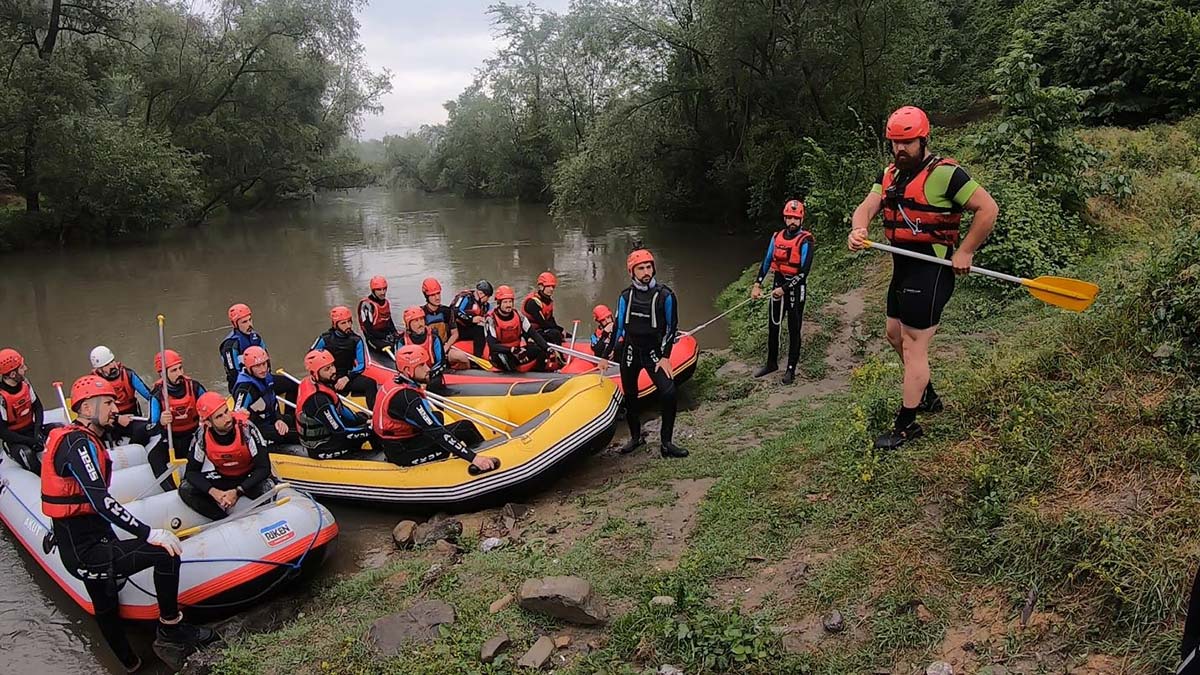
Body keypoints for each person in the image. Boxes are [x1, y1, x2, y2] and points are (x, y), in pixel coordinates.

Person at [42, 375, 217, 672]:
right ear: (86, 408)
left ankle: (130, 664)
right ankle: (170, 632)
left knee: (106, 603)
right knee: (166, 552)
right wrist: (150, 533)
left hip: (88, 537)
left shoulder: (82, 440)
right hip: (86, 550)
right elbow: (101, 501)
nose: (115, 409)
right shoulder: (78, 444)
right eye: (108, 403)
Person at [848, 105, 998, 450]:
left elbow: (988, 209)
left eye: (908, 143)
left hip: (931, 267)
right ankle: (926, 393)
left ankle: (906, 424)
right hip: (902, 264)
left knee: (914, 346)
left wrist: (966, 251)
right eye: (895, 143)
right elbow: (868, 206)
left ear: (923, 139)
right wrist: (859, 227)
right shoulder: (889, 173)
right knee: (893, 334)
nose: (900, 150)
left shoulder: (947, 174)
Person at [372, 344, 500, 472]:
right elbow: (436, 432)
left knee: (457, 423)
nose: (428, 368)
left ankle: (479, 454)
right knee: (461, 430)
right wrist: (473, 458)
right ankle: (482, 463)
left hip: (404, 440)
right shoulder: (407, 398)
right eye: (422, 365)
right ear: (407, 370)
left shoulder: (398, 382)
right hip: (403, 452)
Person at [614, 247, 688, 458]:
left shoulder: (666, 295)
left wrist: (665, 356)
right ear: (632, 272)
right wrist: (607, 355)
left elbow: (671, 328)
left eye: (648, 267)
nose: (646, 272)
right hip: (630, 349)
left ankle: (666, 443)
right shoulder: (625, 296)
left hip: (653, 351)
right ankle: (636, 437)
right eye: (641, 268)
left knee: (669, 392)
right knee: (630, 395)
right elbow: (618, 328)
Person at [179, 392, 275, 521]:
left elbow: (264, 468)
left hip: (249, 477)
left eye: (226, 411)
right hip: (223, 477)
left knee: (268, 489)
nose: (227, 419)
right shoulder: (201, 436)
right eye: (219, 416)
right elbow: (191, 472)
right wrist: (213, 492)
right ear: (208, 422)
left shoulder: (246, 429)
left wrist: (238, 491)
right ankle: (222, 519)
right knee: (186, 488)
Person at [750, 199, 815, 385]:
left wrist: (784, 289)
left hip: (795, 287)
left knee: (794, 328)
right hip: (778, 284)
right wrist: (757, 284)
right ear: (785, 218)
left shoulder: (806, 241)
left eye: (796, 218)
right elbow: (767, 261)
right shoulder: (777, 237)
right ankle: (771, 363)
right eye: (789, 218)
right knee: (773, 325)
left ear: (801, 219)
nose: (792, 221)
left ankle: (791, 369)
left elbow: (803, 272)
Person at [295, 349, 374, 460]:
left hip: (330, 433)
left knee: (363, 417)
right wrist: (369, 429)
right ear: (315, 373)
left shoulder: (317, 382)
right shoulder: (319, 401)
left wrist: (363, 421)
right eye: (327, 369)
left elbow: (341, 409)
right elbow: (341, 432)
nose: (333, 370)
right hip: (322, 447)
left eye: (332, 365)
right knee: (372, 431)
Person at [148, 350, 207, 490]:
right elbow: (149, 427)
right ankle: (171, 490)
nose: (179, 373)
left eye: (180, 368)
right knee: (154, 457)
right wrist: (161, 422)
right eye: (174, 370)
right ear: (163, 374)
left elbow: (210, 405)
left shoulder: (194, 387)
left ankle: (192, 485)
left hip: (193, 436)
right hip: (171, 439)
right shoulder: (157, 395)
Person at [0, 348, 56, 474]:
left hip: (31, 429)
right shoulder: (2, 398)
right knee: (28, 454)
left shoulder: (25, 383)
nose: (25, 369)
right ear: (12, 374)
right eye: (21, 367)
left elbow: (38, 407)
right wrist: (30, 442)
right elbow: (2, 432)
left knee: (59, 429)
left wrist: (37, 432)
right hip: (16, 439)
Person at [310, 305, 378, 408]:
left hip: (346, 376)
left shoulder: (356, 340)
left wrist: (347, 378)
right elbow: (310, 358)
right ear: (335, 325)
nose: (348, 325)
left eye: (349, 321)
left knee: (370, 383)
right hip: (328, 378)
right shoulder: (324, 339)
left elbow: (361, 364)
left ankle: (374, 413)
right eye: (343, 323)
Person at [231, 345, 298, 445]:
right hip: (258, 428)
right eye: (258, 366)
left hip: (271, 419)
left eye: (264, 364)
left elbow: (273, 405)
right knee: (297, 435)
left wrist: (278, 419)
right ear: (250, 368)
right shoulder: (245, 389)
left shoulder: (266, 378)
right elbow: (237, 418)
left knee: (296, 421)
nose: (263, 369)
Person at [90, 345, 156, 447]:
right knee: (93, 434)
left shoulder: (128, 374)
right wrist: (117, 418)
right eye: (107, 365)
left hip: (130, 417)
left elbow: (150, 396)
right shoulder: (94, 383)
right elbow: (94, 411)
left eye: (112, 361)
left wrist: (155, 417)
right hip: (108, 420)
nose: (113, 366)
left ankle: (133, 451)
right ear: (99, 370)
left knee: (143, 430)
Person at [486, 285, 552, 372]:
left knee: (540, 350)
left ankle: (538, 373)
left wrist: (547, 347)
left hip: (517, 350)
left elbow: (533, 334)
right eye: (505, 302)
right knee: (504, 358)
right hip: (501, 352)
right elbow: (493, 346)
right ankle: (513, 375)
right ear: (499, 304)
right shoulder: (491, 320)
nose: (508, 305)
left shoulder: (519, 317)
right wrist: (512, 350)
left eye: (510, 302)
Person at [421, 277, 469, 368]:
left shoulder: (446, 311)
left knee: (462, 357)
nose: (437, 297)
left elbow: (455, 334)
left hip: (444, 347)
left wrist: (446, 347)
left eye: (438, 293)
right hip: (428, 349)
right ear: (426, 296)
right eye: (433, 295)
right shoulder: (421, 313)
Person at [219, 303, 267, 392]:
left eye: (250, 320)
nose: (249, 324)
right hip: (243, 385)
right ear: (235, 324)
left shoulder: (256, 337)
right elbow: (233, 373)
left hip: (261, 379)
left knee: (291, 385)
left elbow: (267, 362)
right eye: (244, 322)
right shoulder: (229, 346)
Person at [521, 271, 568, 345]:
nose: (551, 289)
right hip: (532, 333)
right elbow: (543, 324)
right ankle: (558, 355)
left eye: (553, 286)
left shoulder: (548, 301)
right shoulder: (533, 303)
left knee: (560, 333)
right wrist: (560, 330)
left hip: (541, 330)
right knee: (555, 333)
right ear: (541, 287)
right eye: (548, 286)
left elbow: (550, 319)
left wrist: (561, 330)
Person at [396, 306, 448, 370]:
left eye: (421, 319)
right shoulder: (402, 340)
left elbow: (441, 362)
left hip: (431, 371)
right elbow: (400, 365)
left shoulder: (434, 337)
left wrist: (429, 373)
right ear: (408, 325)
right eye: (416, 321)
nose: (420, 323)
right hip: (411, 374)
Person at [357, 275, 401, 351]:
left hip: (384, 333)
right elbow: (368, 330)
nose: (382, 292)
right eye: (379, 290)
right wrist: (385, 336)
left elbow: (389, 320)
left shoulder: (386, 302)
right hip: (373, 337)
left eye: (384, 289)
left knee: (401, 340)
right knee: (389, 346)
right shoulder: (367, 305)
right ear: (373, 291)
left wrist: (395, 333)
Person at [452, 280, 494, 358]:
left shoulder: (485, 305)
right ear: (481, 293)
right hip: (458, 329)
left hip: (470, 328)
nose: (488, 299)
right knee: (479, 329)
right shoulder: (465, 298)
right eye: (487, 297)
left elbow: (492, 312)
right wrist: (472, 319)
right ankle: (478, 356)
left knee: (486, 328)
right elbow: (455, 311)